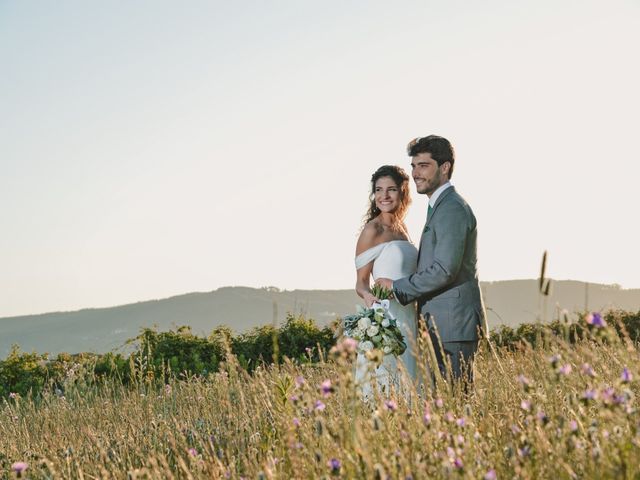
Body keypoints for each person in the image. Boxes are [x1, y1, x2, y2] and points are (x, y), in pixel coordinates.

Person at [376, 135, 485, 385]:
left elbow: (444, 269)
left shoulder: (452, 208)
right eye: (414, 166)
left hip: (453, 325)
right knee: (445, 404)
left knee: (455, 404)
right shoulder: (439, 206)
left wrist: (395, 286)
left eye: (423, 165)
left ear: (444, 167)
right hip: (443, 325)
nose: (415, 173)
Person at [354, 165, 419, 399]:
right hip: (386, 318)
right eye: (379, 190)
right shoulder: (372, 230)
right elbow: (361, 282)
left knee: (411, 384)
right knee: (384, 384)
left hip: (410, 315)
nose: (384, 196)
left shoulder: (403, 229)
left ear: (403, 193)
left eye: (391, 189)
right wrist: (368, 296)